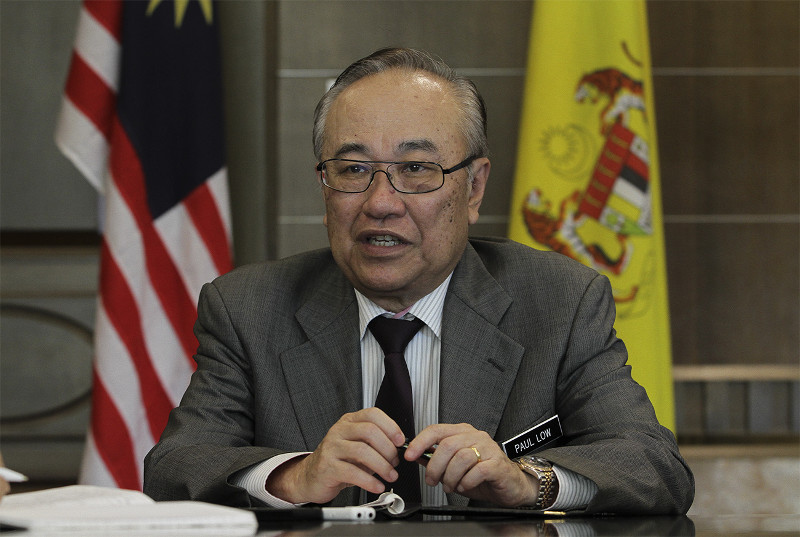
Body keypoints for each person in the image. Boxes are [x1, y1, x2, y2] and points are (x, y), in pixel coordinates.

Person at [144, 47, 694, 514]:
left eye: (417, 170)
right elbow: (174, 469)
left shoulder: (558, 301)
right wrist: (294, 475)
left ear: (474, 188)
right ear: (324, 184)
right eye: (354, 169)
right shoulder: (248, 308)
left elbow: (653, 466)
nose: (380, 203)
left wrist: (529, 480)